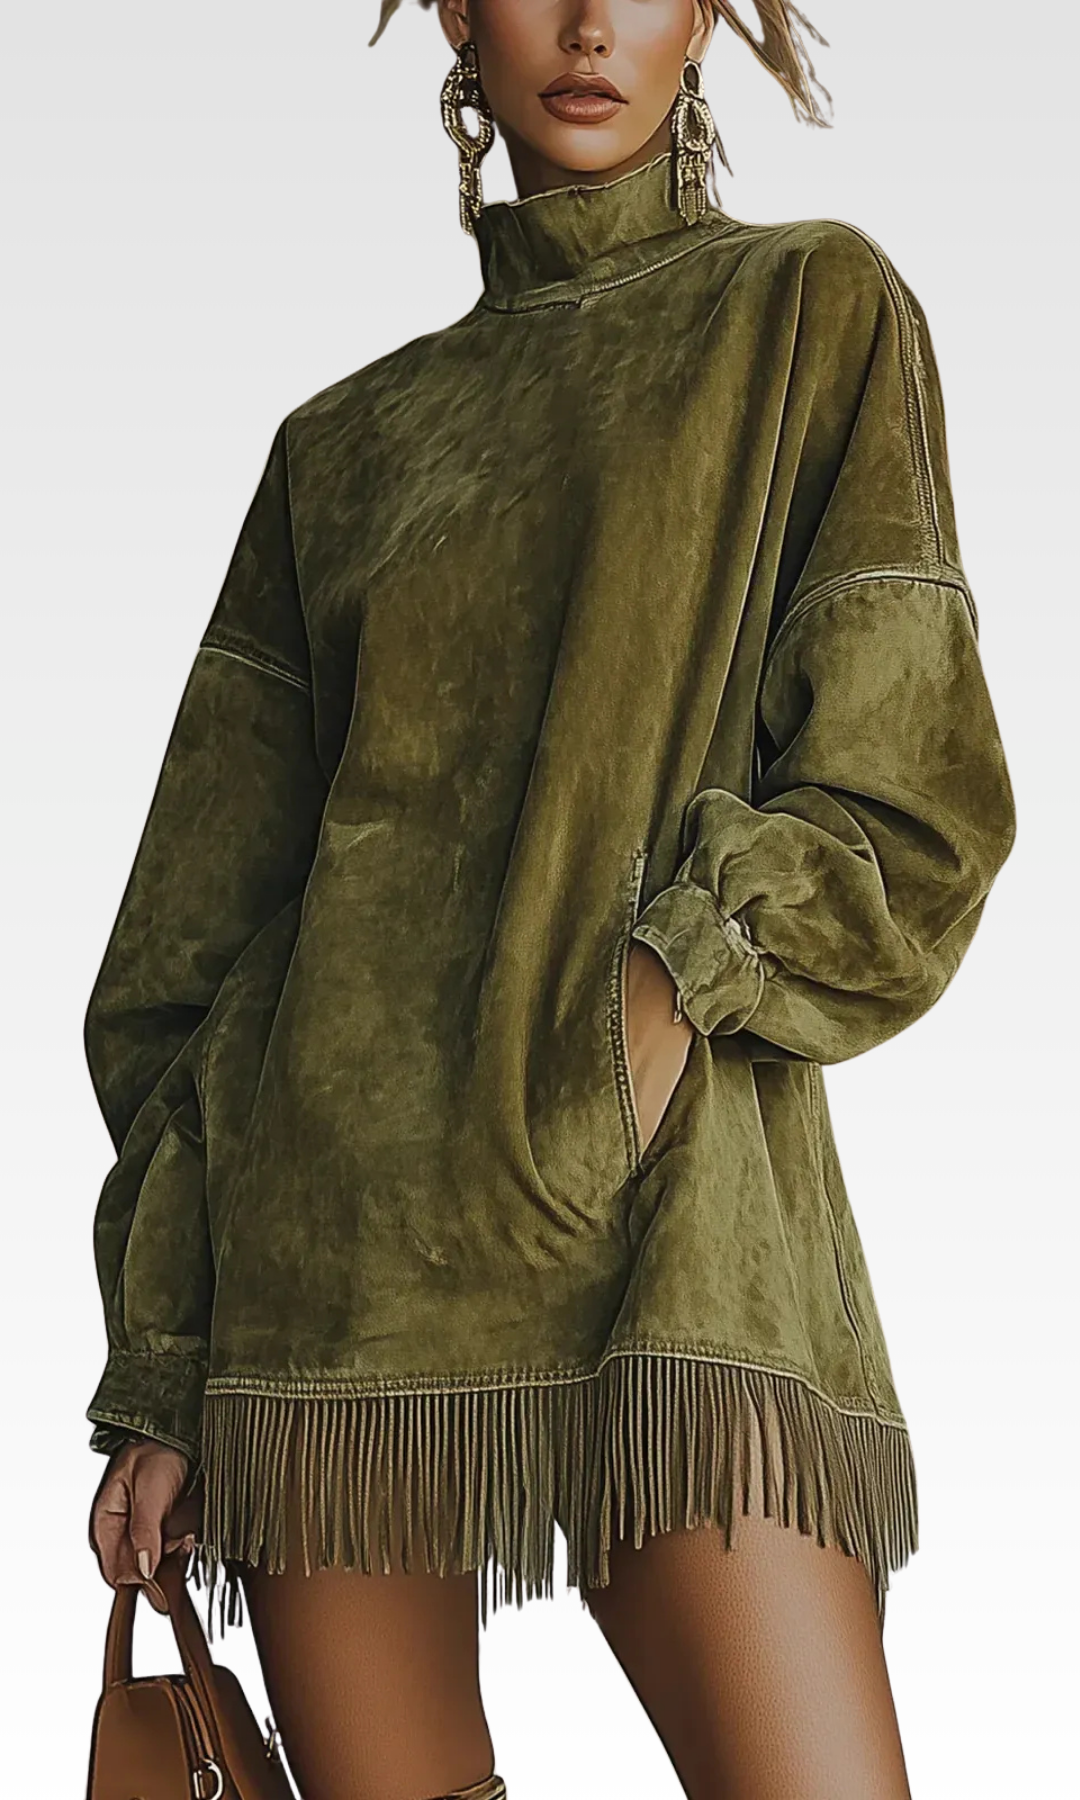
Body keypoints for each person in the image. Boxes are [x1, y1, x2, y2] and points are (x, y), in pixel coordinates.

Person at [85, 0, 1016, 1794]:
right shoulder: (341, 449)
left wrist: (660, 1003)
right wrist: (168, 1364)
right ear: (453, 9)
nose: (589, 24)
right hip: (331, 1282)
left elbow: (910, 798)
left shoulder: (811, 310)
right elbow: (193, 959)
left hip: (664, 1237)